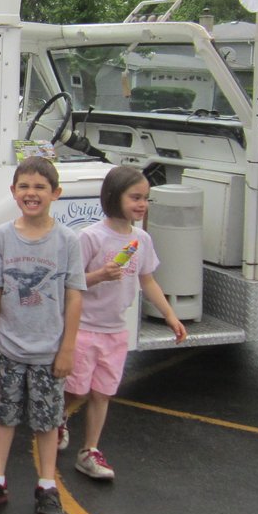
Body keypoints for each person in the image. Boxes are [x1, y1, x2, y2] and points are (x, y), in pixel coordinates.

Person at [0, 157, 84, 514]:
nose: (32, 194)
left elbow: (74, 296)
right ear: (13, 192)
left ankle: (47, 485)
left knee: (47, 421)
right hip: (9, 346)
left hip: (49, 349)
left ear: (56, 193)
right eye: (25, 187)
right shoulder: (2, 237)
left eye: (40, 187)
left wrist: (67, 348)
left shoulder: (67, 241)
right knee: (3, 415)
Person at [66, 165, 187, 480]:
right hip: (84, 328)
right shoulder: (91, 237)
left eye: (145, 198)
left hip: (116, 331)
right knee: (76, 391)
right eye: (135, 197)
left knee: (102, 393)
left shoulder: (141, 239)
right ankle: (58, 419)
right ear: (113, 196)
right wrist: (100, 275)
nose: (142, 204)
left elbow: (147, 280)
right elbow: (71, 282)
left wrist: (170, 315)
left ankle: (89, 450)